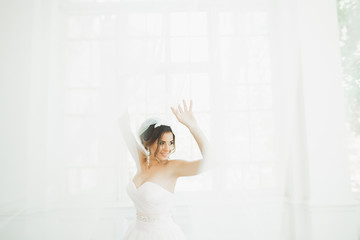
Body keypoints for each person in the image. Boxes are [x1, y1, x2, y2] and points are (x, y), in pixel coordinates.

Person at [119, 100, 208, 240]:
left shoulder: (172, 168)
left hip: (162, 234)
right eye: (162, 143)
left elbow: (212, 162)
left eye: (171, 143)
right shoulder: (141, 160)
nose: (168, 149)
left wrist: (193, 127)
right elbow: (125, 129)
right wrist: (119, 100)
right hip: (137, 233)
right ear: (148, 143)